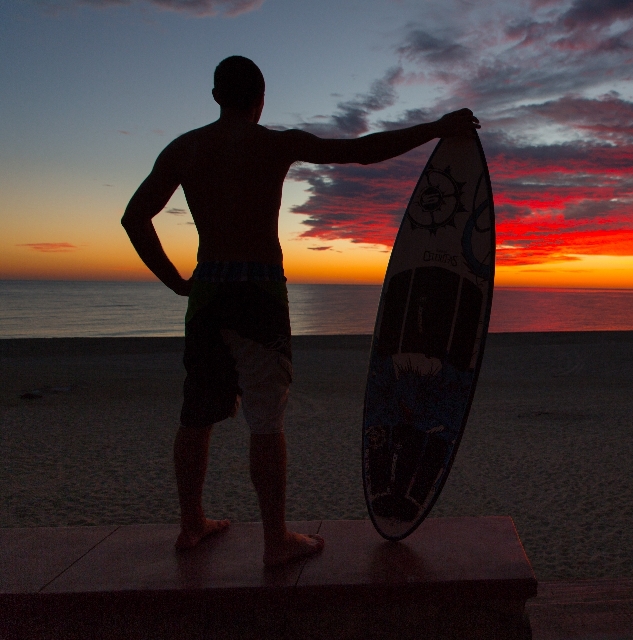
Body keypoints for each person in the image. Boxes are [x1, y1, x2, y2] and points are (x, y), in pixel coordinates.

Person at [121, 55, 480, 566]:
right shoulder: (274, 144)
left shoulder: (184, 148)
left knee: (195, 416)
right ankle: (275, 540)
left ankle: (191, 524)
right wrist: (437, 128)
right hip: (259, 295)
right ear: (260, 99)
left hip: (207, 294)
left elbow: (134, 217)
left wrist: (177, 281)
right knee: (266, 421)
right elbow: (361, 152)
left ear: (217, 96)